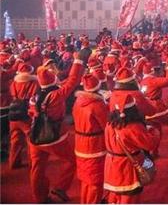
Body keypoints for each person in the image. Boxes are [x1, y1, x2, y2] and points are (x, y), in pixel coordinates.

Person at [27, 57, 84, 203]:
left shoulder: (35, 96)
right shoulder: (55, 95)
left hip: (34, 137)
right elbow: (73, 81)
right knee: (72, 161)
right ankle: (60, 188)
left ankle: (39, 197)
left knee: (37, 169)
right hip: (53, 138)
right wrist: (78, 61)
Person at [104, 94, 160, 203]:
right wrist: (154, 131)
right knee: (129, 197)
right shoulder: (133, 127)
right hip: (127, 168)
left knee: (114, 195)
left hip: (111, 165)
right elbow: (150, 144)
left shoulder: (110, 123)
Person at [73, 73, 110, 204]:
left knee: (85, 178)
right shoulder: (97, 104)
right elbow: (107, 124)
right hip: (95, 146)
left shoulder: (78, 101)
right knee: (96, 179)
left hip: (80, 143)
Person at [8, 63, 37, 169]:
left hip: (14, 114)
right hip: (26, 114)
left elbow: (11, 94)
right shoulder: (33, 82)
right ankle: (32, 162)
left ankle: (14, 162)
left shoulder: (14, 83)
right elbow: (34, 97)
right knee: (30, 140)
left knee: (15, 140)